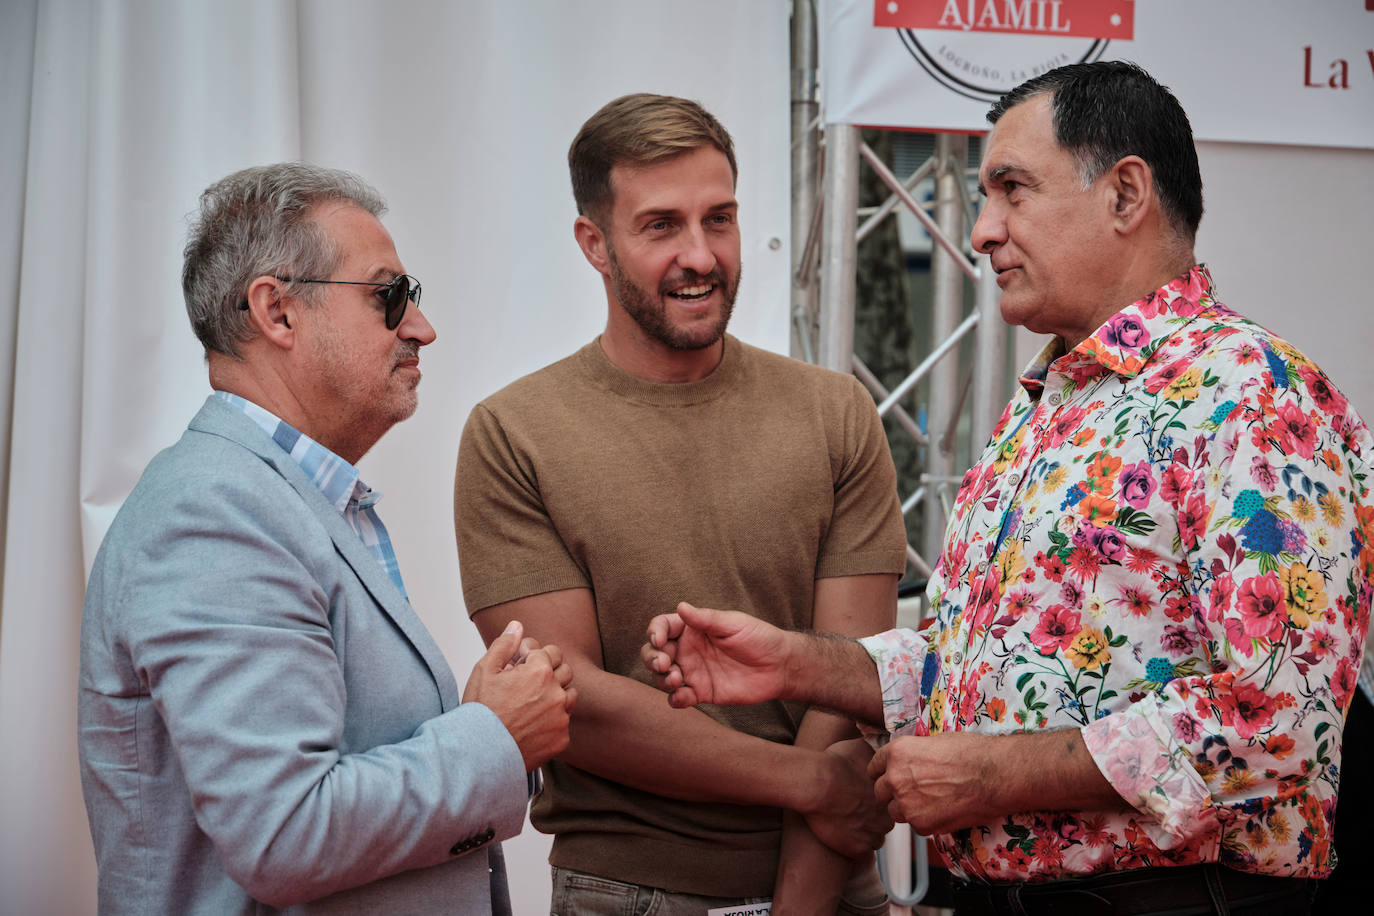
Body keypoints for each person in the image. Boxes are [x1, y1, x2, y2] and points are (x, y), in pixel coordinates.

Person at [642, 62, 1374, 915]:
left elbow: (1282, 717)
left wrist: (995, 776)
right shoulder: (1050, 400)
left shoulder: (1254, 394)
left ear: (1126, 194)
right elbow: (992, 676)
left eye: (1012, 189)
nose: (982, 230)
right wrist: (793, 664)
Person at [78, 163, 576, 914]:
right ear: (277, 312)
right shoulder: (214, 514)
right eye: (389, 296)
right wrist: (494, 738)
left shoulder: (286, 498)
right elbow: (285, 833)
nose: (421, 327)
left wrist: (488, 729)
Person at [453, 94, 908, 914]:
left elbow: (851, 676)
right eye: (661, 225)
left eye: (720, 219)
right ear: (594, 243)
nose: (700, 255)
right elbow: (572, 704)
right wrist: (809, 782)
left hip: (834, 879)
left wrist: (802, 901)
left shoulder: (835, 412)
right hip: (626, 891)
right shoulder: (513, 435)